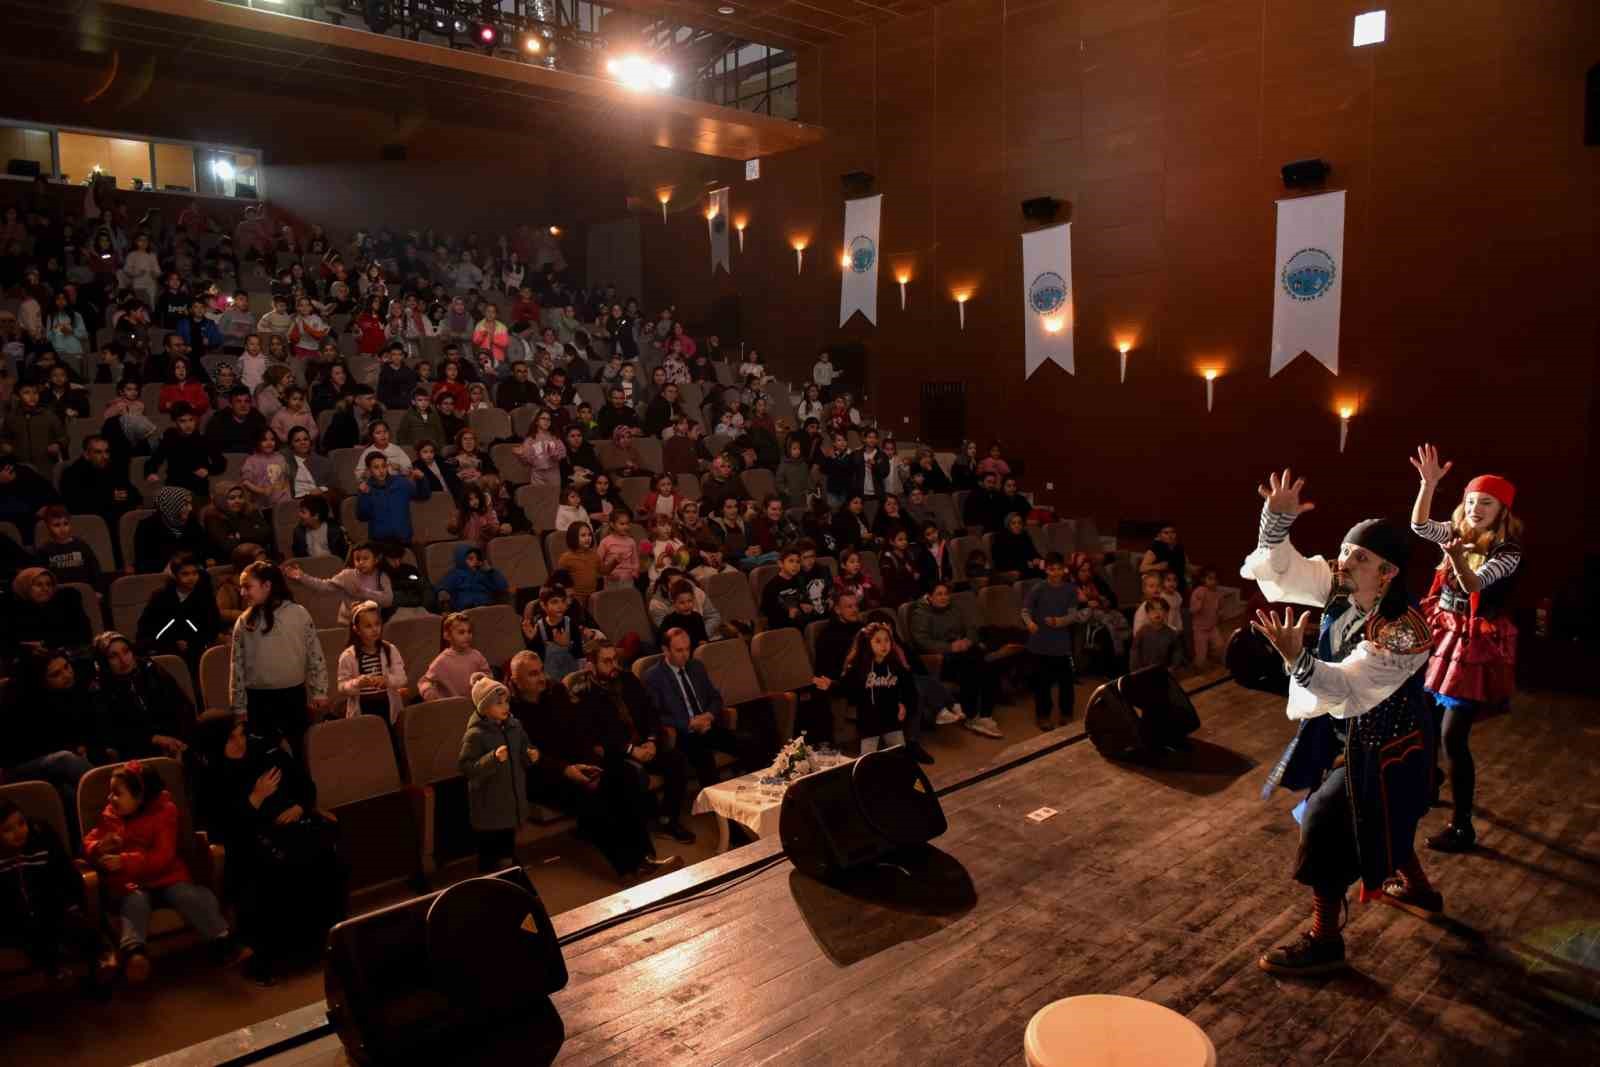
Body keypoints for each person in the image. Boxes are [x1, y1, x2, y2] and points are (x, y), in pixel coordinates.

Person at [1243, 468, 1439, 976]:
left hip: (1386, 748)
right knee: (1385, 822)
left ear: (1389, 572)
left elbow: (1351, 687)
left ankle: (1325, 940)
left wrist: (1298, 661)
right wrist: (1277, 519)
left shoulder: (1405, 631)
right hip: (1346, 736)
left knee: (1326, 824)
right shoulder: (1342, 586)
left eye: (1360, 556)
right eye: (1346, 551)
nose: (1345, 561)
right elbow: (1286, 572)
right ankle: (1418, 887)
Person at [1407, 445, 1522, 854]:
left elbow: (1474, 584)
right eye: (1470, 500)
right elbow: (1420, 525)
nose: (1475, 508)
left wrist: (1457, 557)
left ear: (1502, 510)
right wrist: (1428, 484)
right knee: (1426, 718)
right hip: (1443, 631)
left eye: (1486, 503)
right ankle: (1428, 783)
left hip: (1475, 644)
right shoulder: (1457, 532)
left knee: (1454, 737)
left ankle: (1462, 826)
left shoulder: (1508, 551)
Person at [193, 714, 345, 984]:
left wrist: (299, 807)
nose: (240, 743)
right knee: (272, 872)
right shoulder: (209, 774)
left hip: (291, 826)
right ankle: (275, 958)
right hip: (246, 841)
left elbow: (305, 786)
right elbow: (221, 828)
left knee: (324, 856)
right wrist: (256, 798)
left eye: (241, 734)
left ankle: (327, 944)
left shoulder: (264, 752)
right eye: (231, 738)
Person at [83, 760, 249, 981]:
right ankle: (135, 955)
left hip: (167, 875)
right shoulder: (111, 815)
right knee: (134, 903)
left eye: (116, 793)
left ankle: (223, 943)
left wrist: (124, 860)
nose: (109, 798)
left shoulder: (165, 812)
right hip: (132, 882)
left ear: (140, 797)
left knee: (190, 895)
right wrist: (98, 847)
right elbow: (88, 842)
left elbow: (164, 856)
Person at [580, 641, 696, 843]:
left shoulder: (628, 679)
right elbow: (597, 734)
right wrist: (631, 750)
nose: (614, 665)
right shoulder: (585, 693)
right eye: (607, 661)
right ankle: (637, 835)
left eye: (615, 659)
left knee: (677, 760)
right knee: (632, 774)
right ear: (591, 665)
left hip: (644, 744)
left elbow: (650, 712)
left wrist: (651, 740)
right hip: (617, 752)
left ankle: (668, 820)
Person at [227, 560, 331, 757]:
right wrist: (239, 705)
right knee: (264, 754)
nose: (242, 593)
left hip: (293, 697)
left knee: (297, 750)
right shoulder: (244, 621)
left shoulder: (298, 614)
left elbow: (314, 654)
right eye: (241, 587)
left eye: (247, 587)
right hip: (258, 701)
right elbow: (237, 665)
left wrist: (319, 691)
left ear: (267, 585)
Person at [0, 796, 102, 982]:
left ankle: (96, 974)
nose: (18, 832)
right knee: (33, 935)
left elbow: (65, 872)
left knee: (85, 932)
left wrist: (71, 904)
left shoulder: (41, 834)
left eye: (21, 823)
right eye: (8, 829)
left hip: (50, 907)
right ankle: (53, 968)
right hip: (14, 919)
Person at [644, 628, 759, 786]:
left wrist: (708, 716)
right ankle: (713, 805)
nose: (685, 655)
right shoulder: (654, 676)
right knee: (705, 758)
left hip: (707, 726)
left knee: (749, 742)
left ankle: (754, 791)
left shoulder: (695, 666)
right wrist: (690, 723)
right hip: (682, 735)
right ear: (665, 650)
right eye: (679, 650)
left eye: (687, 649)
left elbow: (715, 697)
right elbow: (656, 717)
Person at [1, 650, 97, 829]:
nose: (67, 675)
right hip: (21, 766)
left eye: (66, 667)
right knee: (64, 759)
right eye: (56, 674)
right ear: (41, 680)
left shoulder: (74, 691)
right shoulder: (24, 702)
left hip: (53, 765)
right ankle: (112, 793)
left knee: (68, 794)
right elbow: (31, 747)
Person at [457, 672, 540, 871]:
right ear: (484, 708)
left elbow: (524, 752)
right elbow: (466, 768)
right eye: (499, 704)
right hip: (489, 808)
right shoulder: (475, 735)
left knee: (507, 850)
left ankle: (509, 874)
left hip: (510, 804)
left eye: (506, 702)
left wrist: (531, 756)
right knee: (489, 855)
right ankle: (490, 885)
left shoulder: (515, 726)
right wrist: (492, 758)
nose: (506, 707)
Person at [909, 581, 1002, 738]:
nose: (944, 597)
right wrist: (950, 647)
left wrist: (968, 641)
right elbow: (922, 642)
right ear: (929, 597)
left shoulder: (954, 608)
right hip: (942, 657)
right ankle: (971, 715)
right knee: (970, 666)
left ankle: (985, 715)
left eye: (946, 594)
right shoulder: (920, 613)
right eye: (939, 594)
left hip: (963, 650)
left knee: (987, 664)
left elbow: (971, 628)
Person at [135, 552, 223, 679]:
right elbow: (145, 628)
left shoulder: (204, 596)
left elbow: (213, 627)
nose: (192, 578)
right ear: (175, 576)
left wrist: (192, 642)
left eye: (195, 573)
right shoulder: (160, 597)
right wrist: (172, 642)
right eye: (185, 574)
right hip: (164, 649)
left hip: (196, 650)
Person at [1022, 552, 1082, 730]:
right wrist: (1030, 623)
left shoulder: (1071, 589)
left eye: (1058, 569)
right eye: (1051, 569)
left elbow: (1073, 615)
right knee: (1042, 683)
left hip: (1061, 644)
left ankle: (1066, 713)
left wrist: (1059, 621)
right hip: (1040, 644)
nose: (1055, 573)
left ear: (1063, 569)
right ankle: (1043, 715)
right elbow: (1025, 610)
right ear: (1046, 570)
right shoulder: (1038, 588)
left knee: (1066, 682)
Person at [841, 622, 916, 753]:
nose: (884, 645)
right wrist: (830, 685)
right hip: (869, 721)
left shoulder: (895, 665)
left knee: (900, 755)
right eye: (878, 641)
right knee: (869, 760)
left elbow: (908, 688)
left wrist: (903, 703)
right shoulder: (859, 667)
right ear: (867, 644)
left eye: (887, 640)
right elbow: (846, 688)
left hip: (891, 719)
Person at [284, 541, 393, 624]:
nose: (361, 562)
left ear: (376, 559)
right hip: (349, 622)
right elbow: (323, 586)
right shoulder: (347, 575)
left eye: (365, 558)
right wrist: (302, 576)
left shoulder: (382, 576)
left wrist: (364, 592)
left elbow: (388, 600)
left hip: (373, 623)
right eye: (357, 559)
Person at [335, 600, 410, 721]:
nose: (375, 629)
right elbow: (342, 686)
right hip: (363, 708)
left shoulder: (390, 650)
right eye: (368, 626)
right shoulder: (348, 656)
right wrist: (357, 683)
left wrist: (387, 680)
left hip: (387, 706)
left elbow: (402, 678)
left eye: (377, 624)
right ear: (357, 629)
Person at [5, 567, 93, 656]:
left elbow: (84, 634)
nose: (45, 588)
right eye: (38, 585)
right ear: (24, 587)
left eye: (49, 584)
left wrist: (47, 643)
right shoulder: (13, 610)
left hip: (69, 656)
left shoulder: (67, 604)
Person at [354, 450, 431, 544]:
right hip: (379, 541)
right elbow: (362, 516)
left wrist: (421, 480)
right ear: (369, 470)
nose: (381, 471)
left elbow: (423, 496)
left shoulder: (401, 483)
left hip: (403, 539)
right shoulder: (366, 488)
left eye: (383, 466)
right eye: (376, 467)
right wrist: (364, 495)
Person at [420, 612, 493, 700]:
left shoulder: (477, 655)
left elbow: (488, 675)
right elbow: (424, 681)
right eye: (461, 632)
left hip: (474, 704)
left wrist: (484, 678)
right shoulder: (441, 660)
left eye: (469, 631)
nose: (467, 636)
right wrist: (430, 694)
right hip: (452, 708)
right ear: (447, 636)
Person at [35, 505, 103, 587]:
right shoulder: (44, 550)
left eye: (66, 524)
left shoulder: (81, 545)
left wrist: (97, 590)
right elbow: (43, 576)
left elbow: (95, 570)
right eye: (56, 525)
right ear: (48, 526)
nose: (62, 529)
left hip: (83, 589)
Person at [437, 543, 510, 611]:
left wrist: (491, 571)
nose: (475, 561)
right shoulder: (454, 574)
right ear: (461, 560)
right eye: (470, 559)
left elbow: (502, 586)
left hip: (486, 606)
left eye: (476, 558)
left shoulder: (484, 574)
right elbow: (443, 586)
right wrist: (442, 591)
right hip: (465, 609)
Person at [1129, 599, 1182, 672]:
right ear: (1147, 614)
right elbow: (1134, 651)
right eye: (1152, 610)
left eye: (1161, 609)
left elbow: (1177, 651)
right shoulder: (1142, 631)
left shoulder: (1171, 633)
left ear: (1166, 613)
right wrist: (1135, 669)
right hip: (1144, 671)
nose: (1156, 612)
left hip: (1163, 670)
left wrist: (1173, 666)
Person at [1189, 569, 1226, 668]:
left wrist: (1220, 613)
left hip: (1212, 627)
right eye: (1210, 578)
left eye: (1215, 579)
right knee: (1201, 655)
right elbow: (1192, 610)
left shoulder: (1218, 593)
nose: (1213, 582)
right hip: (1199, 629)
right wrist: (1199, 603)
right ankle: (1198, 669)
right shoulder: (1199, 591)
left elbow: (1221, 607)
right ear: (1203, 579)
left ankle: (1216, 660)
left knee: (1220, 646)